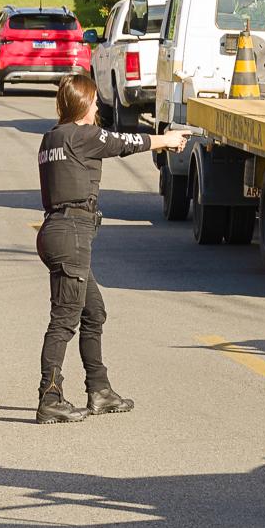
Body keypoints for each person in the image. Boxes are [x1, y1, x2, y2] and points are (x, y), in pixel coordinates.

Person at [35, 74, 186, 424]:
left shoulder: (51, 139)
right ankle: (50, 397)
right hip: (71, 232)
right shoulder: (83, 135)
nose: (97, 107)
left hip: (57, 231)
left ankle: (99, 390)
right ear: (84, 103)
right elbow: (125, 141)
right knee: (63, 322)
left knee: (93, 312)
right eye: (94, 101)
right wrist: (166, 140)